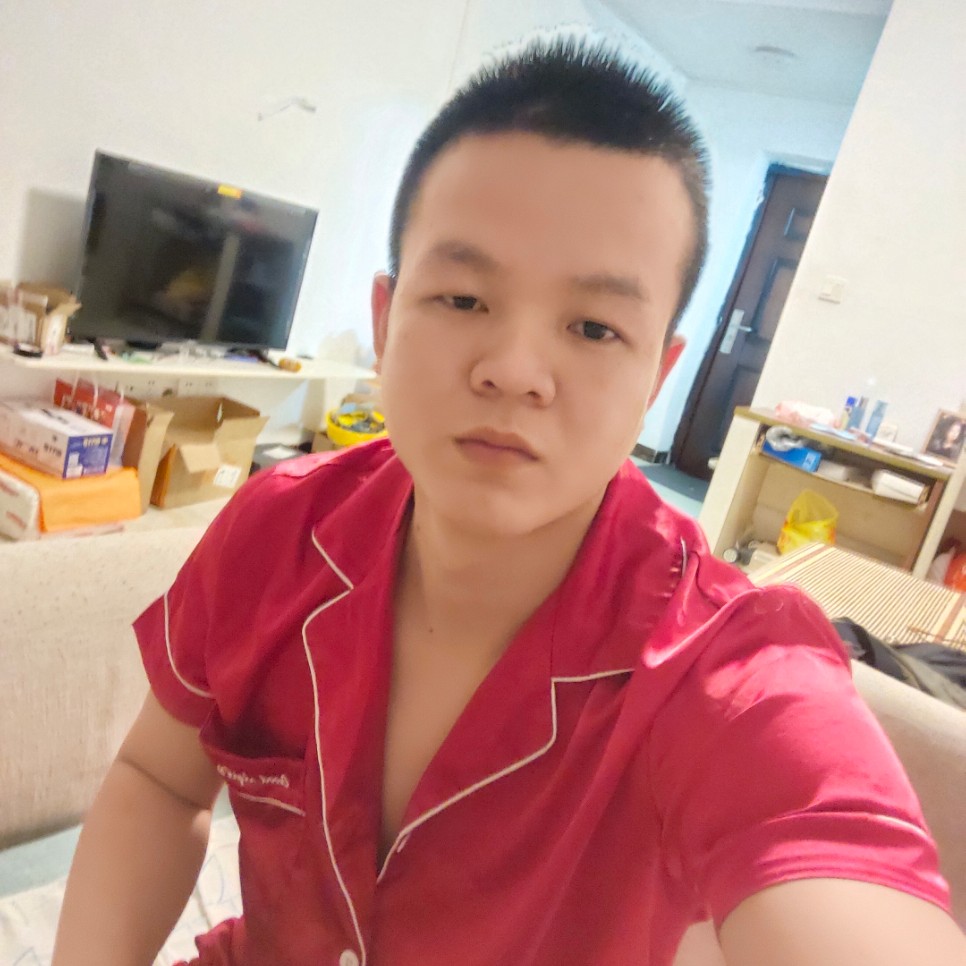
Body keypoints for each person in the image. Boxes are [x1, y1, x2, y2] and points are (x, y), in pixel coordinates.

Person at [53, 37, 966, 966]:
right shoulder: (277, 528)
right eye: (463, 299)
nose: (515, 370)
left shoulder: (725, 671)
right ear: (385, 320)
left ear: (656, 377)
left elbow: (835, 860)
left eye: (594, 327)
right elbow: (160, 780)